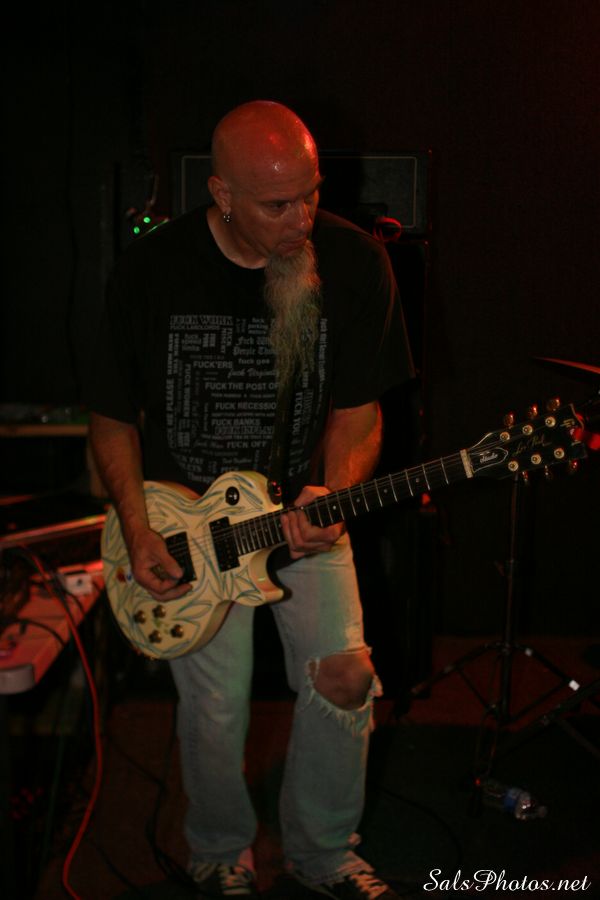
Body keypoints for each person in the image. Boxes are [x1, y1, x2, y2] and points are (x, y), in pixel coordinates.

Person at [88, 100, 414, 899]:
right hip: (190, 527)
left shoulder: (354, 261)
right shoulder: (151, 270)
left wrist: (335, 494)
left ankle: (323, 853)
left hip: (304, 511)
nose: (301, 219)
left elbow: (360, 413)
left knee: (347, 677)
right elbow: (110, 418)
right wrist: (137, 529)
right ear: (222, 195)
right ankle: (220, 849)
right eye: (277, 205)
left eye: (311, 194)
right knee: (217, 705)